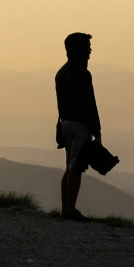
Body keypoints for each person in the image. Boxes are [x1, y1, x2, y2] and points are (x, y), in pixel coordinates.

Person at [55, 32, 101, 221]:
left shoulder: (61, 73)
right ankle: (70, 211)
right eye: (87, 46)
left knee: (69, 166)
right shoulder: (82, 73)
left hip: (65, 124)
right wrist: (97, 132)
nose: (90, 50)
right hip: (80, 126)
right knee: (76, 168)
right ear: (78, 49)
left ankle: (66, 208)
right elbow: (90, 104)